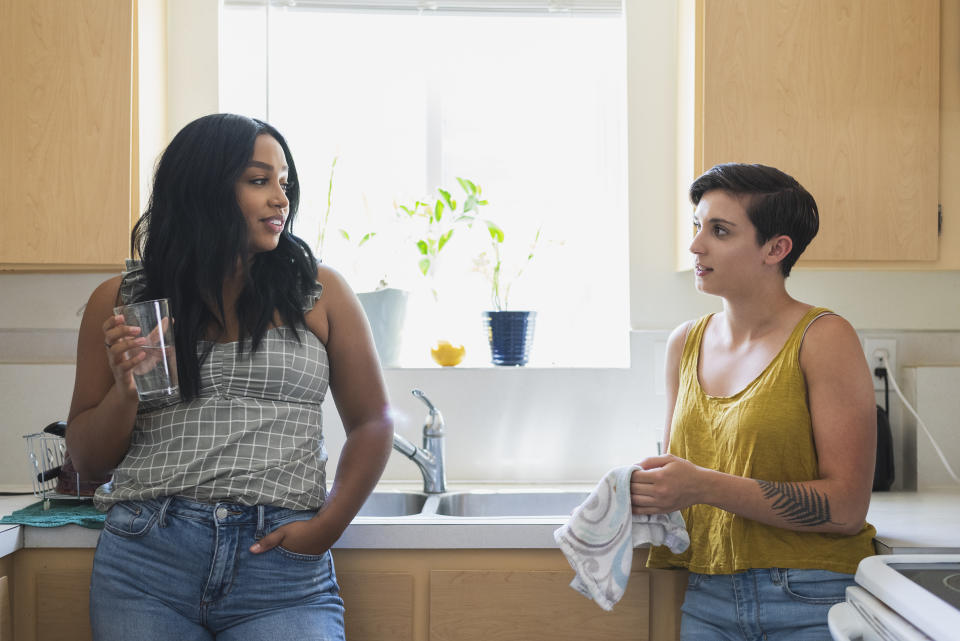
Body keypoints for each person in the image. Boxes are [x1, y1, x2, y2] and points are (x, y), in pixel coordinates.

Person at [66, 113, 394, 641]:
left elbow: (374, 423)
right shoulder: (122, 301)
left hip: (280, 571)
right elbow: (85, 460)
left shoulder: (321, 292)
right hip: (147, 562)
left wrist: (326, 527)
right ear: (204, 189)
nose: (280, 198)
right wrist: (126, 391)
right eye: (259, 180)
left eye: (284, 183)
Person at [631, 163, 877, 640]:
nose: (696, 245)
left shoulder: (824, 337)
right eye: (697, 226)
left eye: (719, 230)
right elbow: (682, 476)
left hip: (812, 595)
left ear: (776, 248)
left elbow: (846, 508)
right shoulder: (685, 343)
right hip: (707, 595)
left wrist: (702, 485)